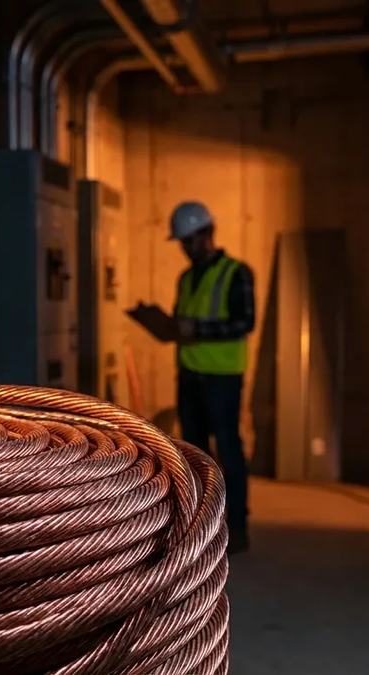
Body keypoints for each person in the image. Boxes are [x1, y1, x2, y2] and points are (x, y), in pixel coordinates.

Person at [167, 200, 255, 554]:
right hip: (190, 375)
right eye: (182, 242)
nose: (186, 249)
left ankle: (238, 527)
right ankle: (203, 527)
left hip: (222, 378)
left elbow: (244, 322)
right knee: (195, 455)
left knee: (229, 451)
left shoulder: (236, 273)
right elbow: (182, 319)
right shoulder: (186, 278)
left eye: (189, 241)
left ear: (207, 234)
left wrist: (197, 329)